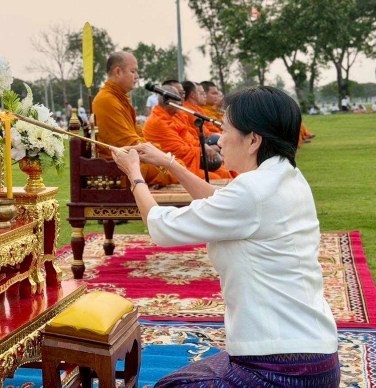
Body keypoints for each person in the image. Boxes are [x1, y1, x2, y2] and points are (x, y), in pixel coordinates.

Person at [110, 86, 339, 387]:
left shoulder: (252, 191)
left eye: (225, 129)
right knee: (177, 379)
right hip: (313, 352)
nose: (218, 139)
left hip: (282, 366)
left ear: (253, 140)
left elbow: (161, 226)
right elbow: (217, 199)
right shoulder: (286, 176)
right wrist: (168, 163)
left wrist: (134, 175)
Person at [93, 52, 176, 186]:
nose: (137, 76)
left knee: (174, 165)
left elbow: (137, 134)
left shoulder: (119, 98)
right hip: (120, 166)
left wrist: (153, 150)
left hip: (133, 157)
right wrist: (153, 153)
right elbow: (125, 144)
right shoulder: (106, 100)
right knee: (175, 169)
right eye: (133, 71)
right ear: (118, 72)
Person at [143, 85, 233, 180]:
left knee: (225, 171)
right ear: (168, 100)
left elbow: (191, 137)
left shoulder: (176, 116)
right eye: (177, 97)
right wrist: (202, 150)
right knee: (217, 177)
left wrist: (203, 146)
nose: (181, 100)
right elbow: (178, 151)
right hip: (178, 163)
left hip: (191, 157)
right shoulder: (158, 121)